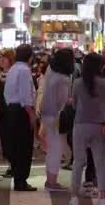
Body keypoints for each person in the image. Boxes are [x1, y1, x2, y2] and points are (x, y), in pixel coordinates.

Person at [69, 53, 105, 205]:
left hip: (80, 124)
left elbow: (74, 104)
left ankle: (74, 197)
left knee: (79, 162)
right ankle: (102, 197)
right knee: (100, 161)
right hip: (99, 125)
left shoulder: (78, 83)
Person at [4, 44, 38, 192]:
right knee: (24, 147)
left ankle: (19, 178)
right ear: (30, 57)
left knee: (16, 145)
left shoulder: (12, 69)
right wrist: (31, 114)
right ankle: (21, 180)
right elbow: (25, 95)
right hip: (22, 110)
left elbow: (6, 92)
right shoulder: (24, 70)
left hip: (11, 109)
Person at [39, 48, 74, 191]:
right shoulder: (64, 79)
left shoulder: (50, 71)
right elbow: (63, 100)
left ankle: (50, 180)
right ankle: (52, 182)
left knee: (53, 147)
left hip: (46, 113)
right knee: (56, 149)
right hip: (57, 116)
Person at [0, 49, 16, 178]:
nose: (1, 60)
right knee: (5, 138)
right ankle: (11, 163)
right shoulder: (1, 74)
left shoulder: (14, 73)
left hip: (12, 111)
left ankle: (14, 165)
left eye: (5, 58)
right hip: (2, 111)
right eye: (1, 57)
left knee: (12, 138)